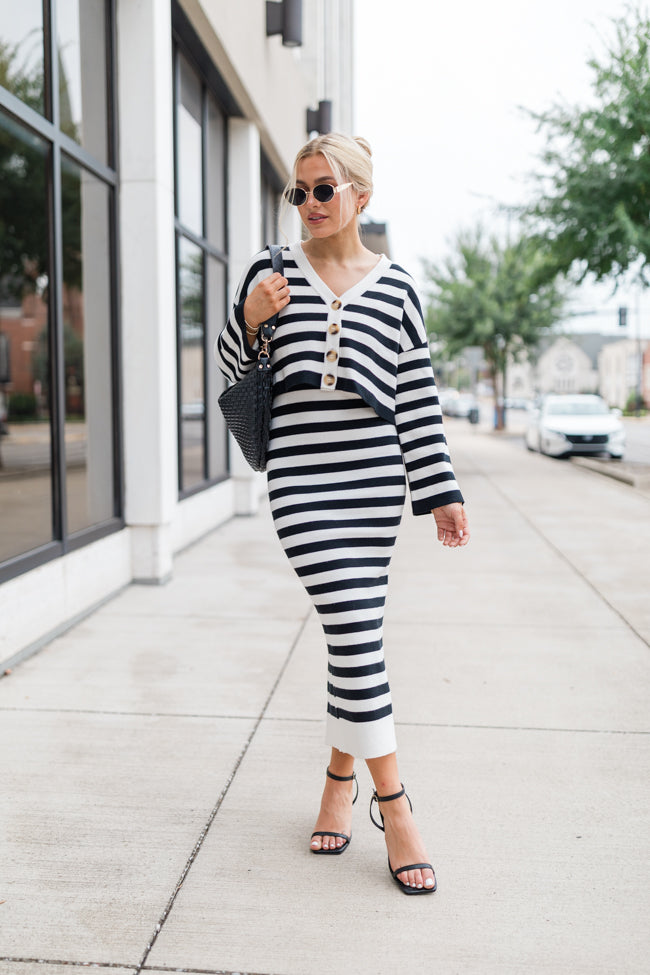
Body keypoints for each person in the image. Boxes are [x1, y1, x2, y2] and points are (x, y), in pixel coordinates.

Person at [215, 133, 469, 895]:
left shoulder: (397, 288)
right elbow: (235, 378)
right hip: (301, 482)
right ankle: (396, 805)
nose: (311, 204)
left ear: (361, 193)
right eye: (300, 192)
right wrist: (250, 319)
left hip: (373, 484)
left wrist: (440, 489)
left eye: (325, 188)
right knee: (357, 627)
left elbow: (417, 403)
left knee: (350, 639)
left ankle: (337, 781)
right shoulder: (271, 274)